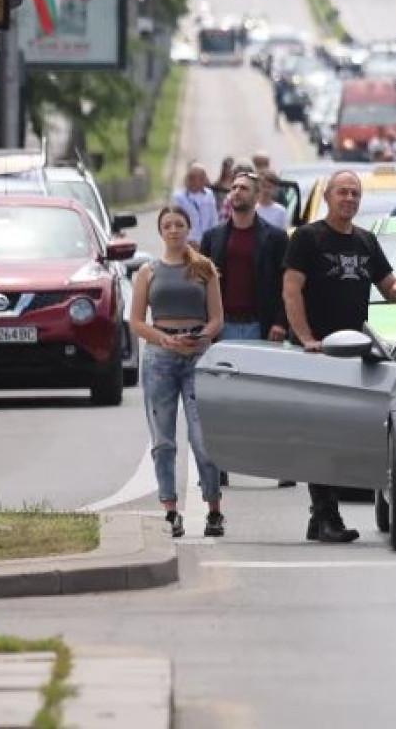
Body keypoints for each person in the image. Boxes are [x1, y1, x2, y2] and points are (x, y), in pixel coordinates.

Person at [283, 171, 396, 544]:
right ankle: (326, 516)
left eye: (355, 193)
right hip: (317, 353)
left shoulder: (366, 241)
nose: (349, 198)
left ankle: (321, 517)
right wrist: (307, 338)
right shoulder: (308, 239)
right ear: (328, 196)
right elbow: (291, 291)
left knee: (342, 435)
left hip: (354, 353)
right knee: (320, 435)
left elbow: (388, 288)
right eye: (342, 192)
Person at [131, 204, 226, 539]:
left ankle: (214, 508)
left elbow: (217, 318)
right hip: (160, 357)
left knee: (204, 438)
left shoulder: (204, 269)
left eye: (179, 225)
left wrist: (201, 336)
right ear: (160, 232)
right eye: (168, 225)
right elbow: (137, 321)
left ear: (189, 229)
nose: (174, 230)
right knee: (163, 439)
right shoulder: (148, 272)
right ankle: (170, 509)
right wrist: (164, 340)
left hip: (198, 356)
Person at [199, 171, 289, 344]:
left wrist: (280, 322)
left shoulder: (276, 238)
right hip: (222, 326)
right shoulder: (212, 237)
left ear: (256, 196)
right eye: (234, 187)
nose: (237, 191)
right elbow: (201, 283)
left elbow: (285, 283)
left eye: (244, 188)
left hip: (260, 326)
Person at [171, 163, 220, 244]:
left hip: (205, 242)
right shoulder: (178, 197)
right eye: (191, 177)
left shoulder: (209, 194)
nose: (194, 181)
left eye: (201, 178)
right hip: (187, 243)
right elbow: (176, 220)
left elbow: (214, 220)